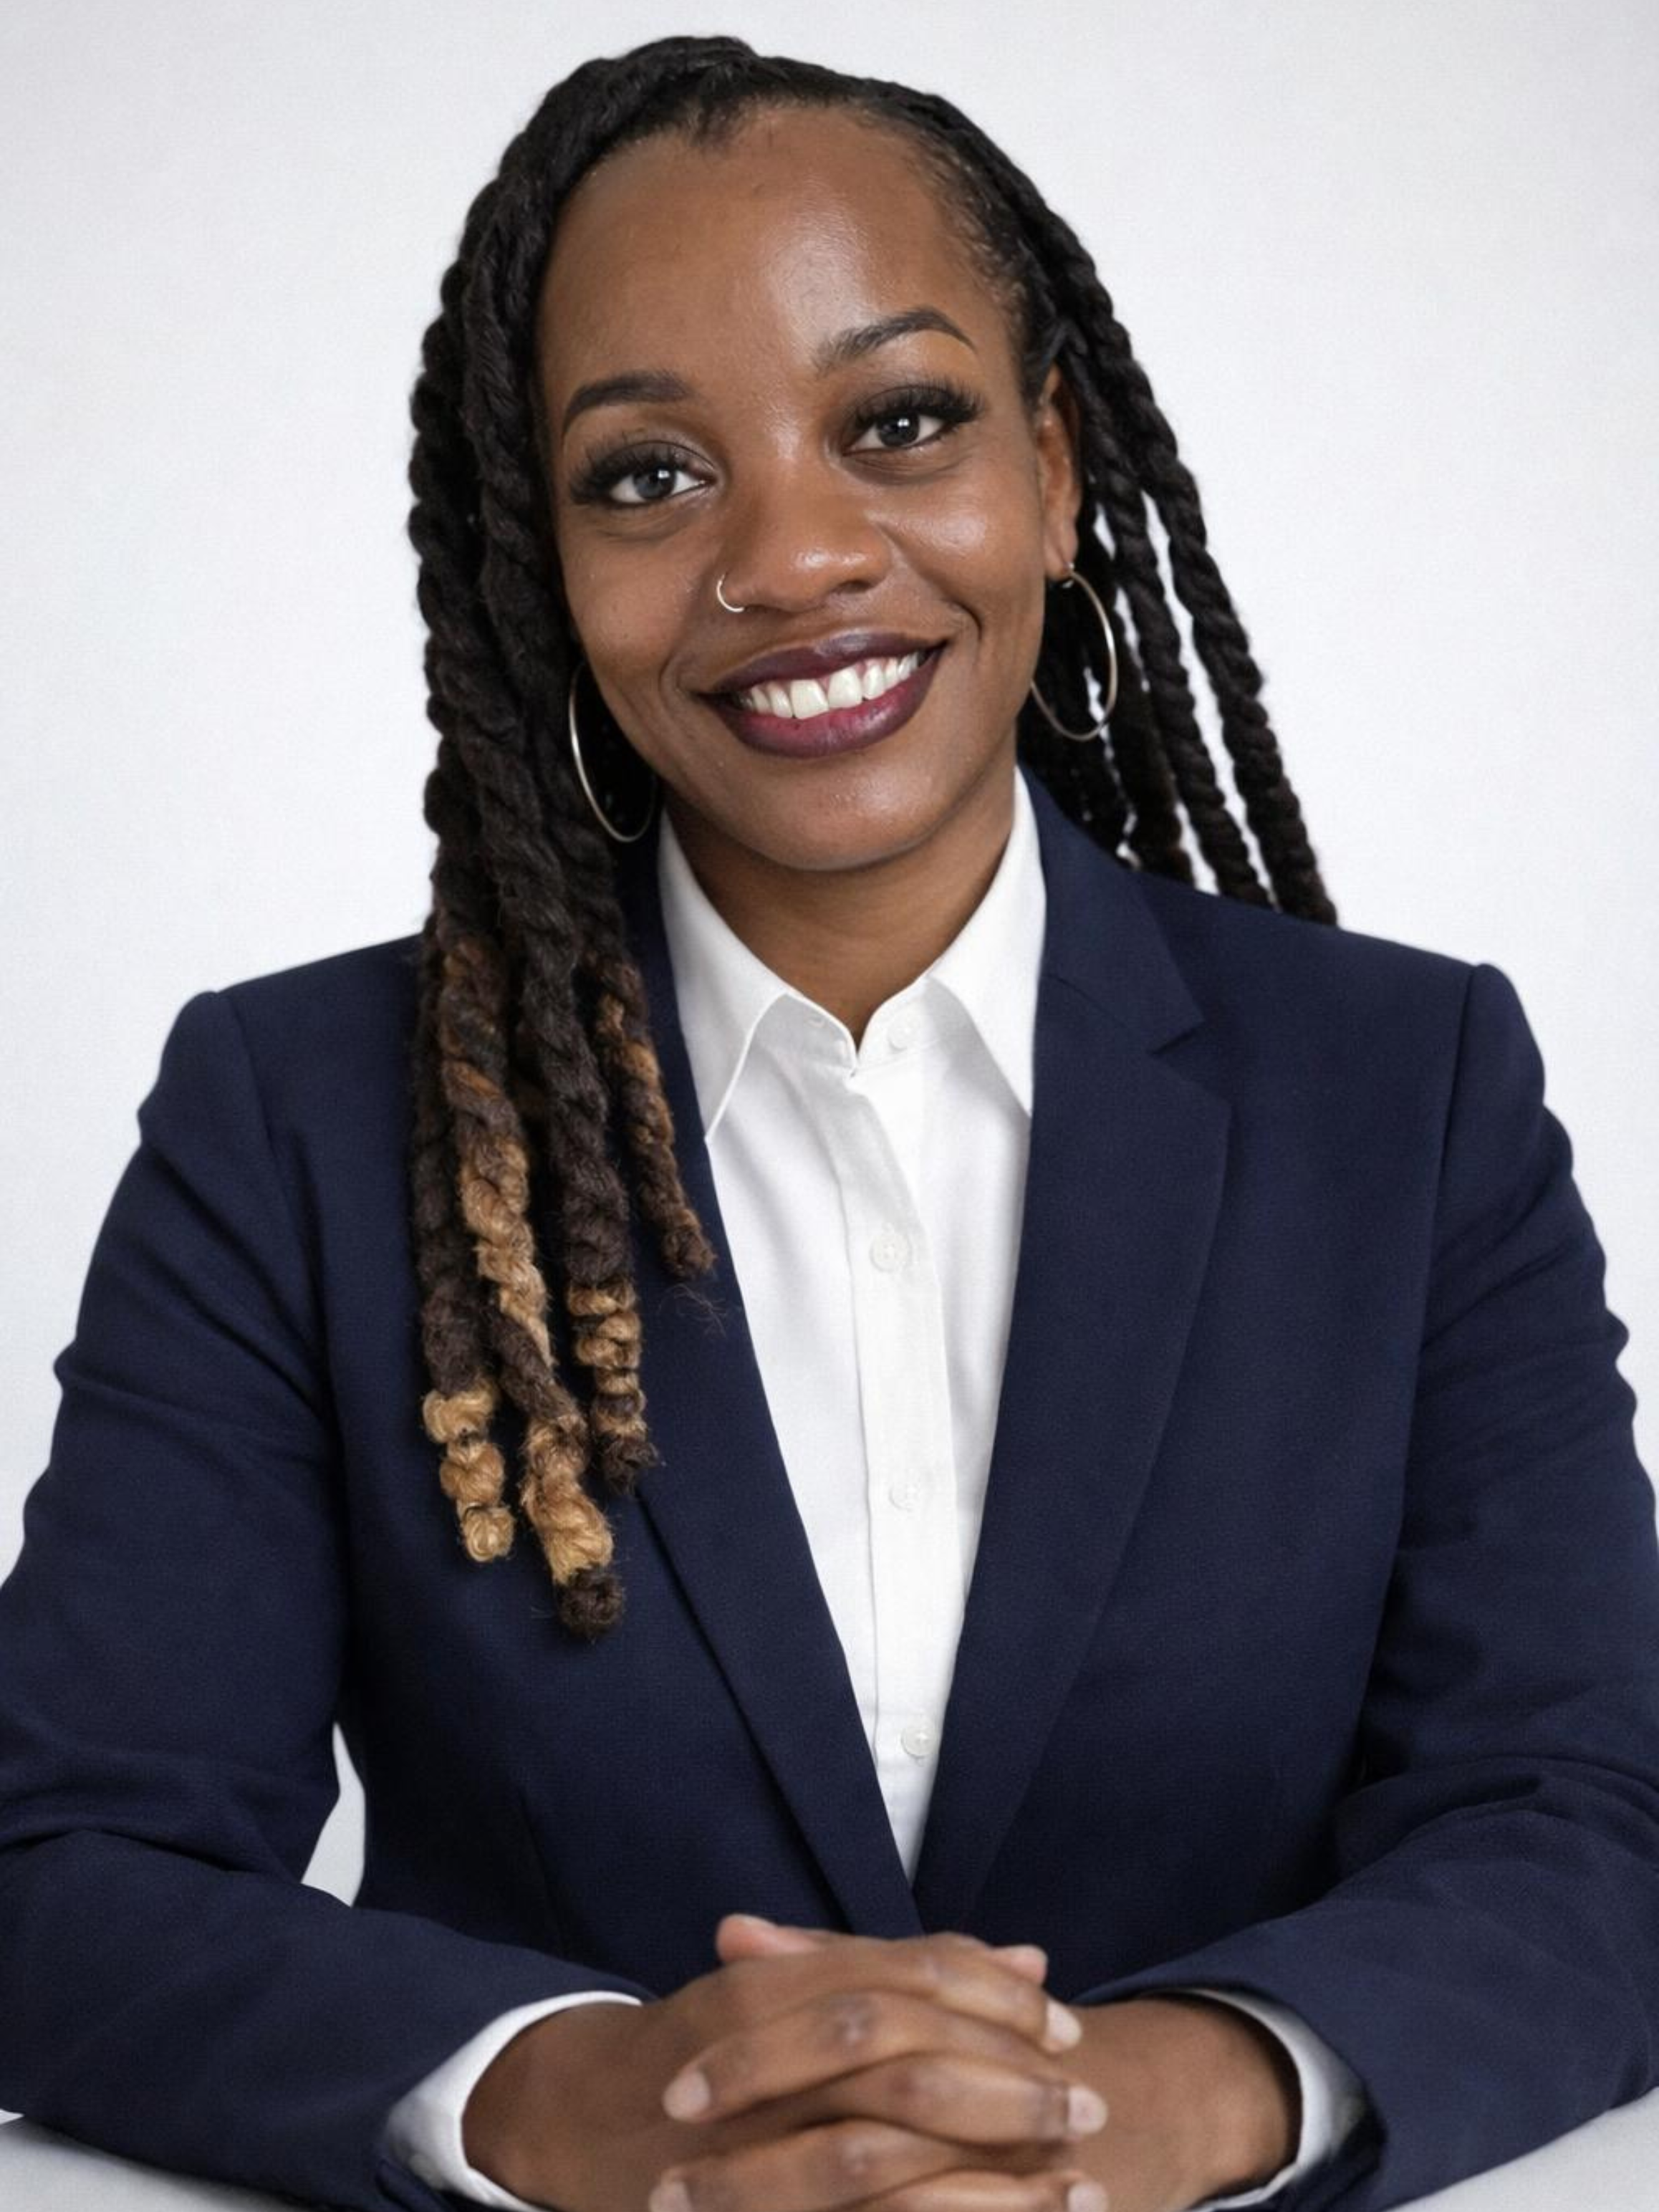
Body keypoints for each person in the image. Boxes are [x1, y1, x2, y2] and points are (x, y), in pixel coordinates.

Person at [1, 29, 1655, 2212]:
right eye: (644, 476)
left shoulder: (1407, 1094)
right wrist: (592, 2105)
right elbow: (60, 1869)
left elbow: (1587, 1817)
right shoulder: (298, 1123)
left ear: (1053, 471)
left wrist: (1143, 2101)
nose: (790, 557)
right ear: (540, 569)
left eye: (898, 423)